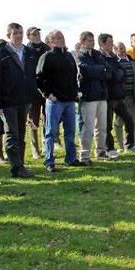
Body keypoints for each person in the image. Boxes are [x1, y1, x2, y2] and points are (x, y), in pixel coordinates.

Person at [0, 23, 39, 178]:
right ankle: (16, 168)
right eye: (15, 33)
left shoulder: (29, 52)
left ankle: (21, 164)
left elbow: (32, 76)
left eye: (20, 32)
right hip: (8, 101)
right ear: (8, 35)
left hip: (24, 99)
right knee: (11, 133)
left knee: (21, 133)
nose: (18, 35)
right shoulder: (0, 54)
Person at [36, 30, 84, 172]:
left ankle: (71, 158)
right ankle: (49, 161)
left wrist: (75, 93)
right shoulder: (47, 57)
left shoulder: (69, 56)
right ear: (50, 42)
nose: (60, 39)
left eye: (61, 37)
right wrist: (47, 94)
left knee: (70, 131)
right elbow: (39, 78)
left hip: (69, 100)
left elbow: (74, 76)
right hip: (55, 101)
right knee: (51, 132)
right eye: (56, 38)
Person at [98, 33, 135, 157]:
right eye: (109, 42)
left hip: (118, 96)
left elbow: (122, 72)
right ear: (102, 44)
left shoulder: (113, 56)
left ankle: (129, 146)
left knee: (129, 120)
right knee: (107, 125)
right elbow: (108, 74)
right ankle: (110, 148)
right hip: (107, 96)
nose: (111, 44)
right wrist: (116, 74)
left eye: (112, 42)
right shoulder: (99, 57)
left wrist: (116, 75)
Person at [77, 31, 111, 163]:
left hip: (102, 95)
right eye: (89, 40)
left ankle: (101, 151)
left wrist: (98, 70)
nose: (92, 43)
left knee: (102, 126)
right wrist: (100, 70)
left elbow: (108, 71)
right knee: (88, 127)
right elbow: (86, 71)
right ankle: (85, 155)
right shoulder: (80, 56)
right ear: (83, 42)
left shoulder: (97, 54)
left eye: (92, 40)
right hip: (89, 96)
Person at [113, 42, 135, 152]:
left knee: (133, 121)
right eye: (120, 48)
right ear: (115, 50)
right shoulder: (114, 62)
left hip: (132, 96)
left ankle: (132, 145)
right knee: (119, 121)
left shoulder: (133, 62)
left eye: (124, 48)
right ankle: (120, 146)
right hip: (120, 97)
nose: (123, 50)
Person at [26, 27, 48, 160]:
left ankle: (47, 146)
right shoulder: (26, 50)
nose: (37, 36)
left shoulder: (47, 49)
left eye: (38, 33)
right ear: (29, 37)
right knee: (33, 120)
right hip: (32, 90)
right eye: (34, 34)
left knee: (47, 119)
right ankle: (35, 149)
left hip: (46, 90)